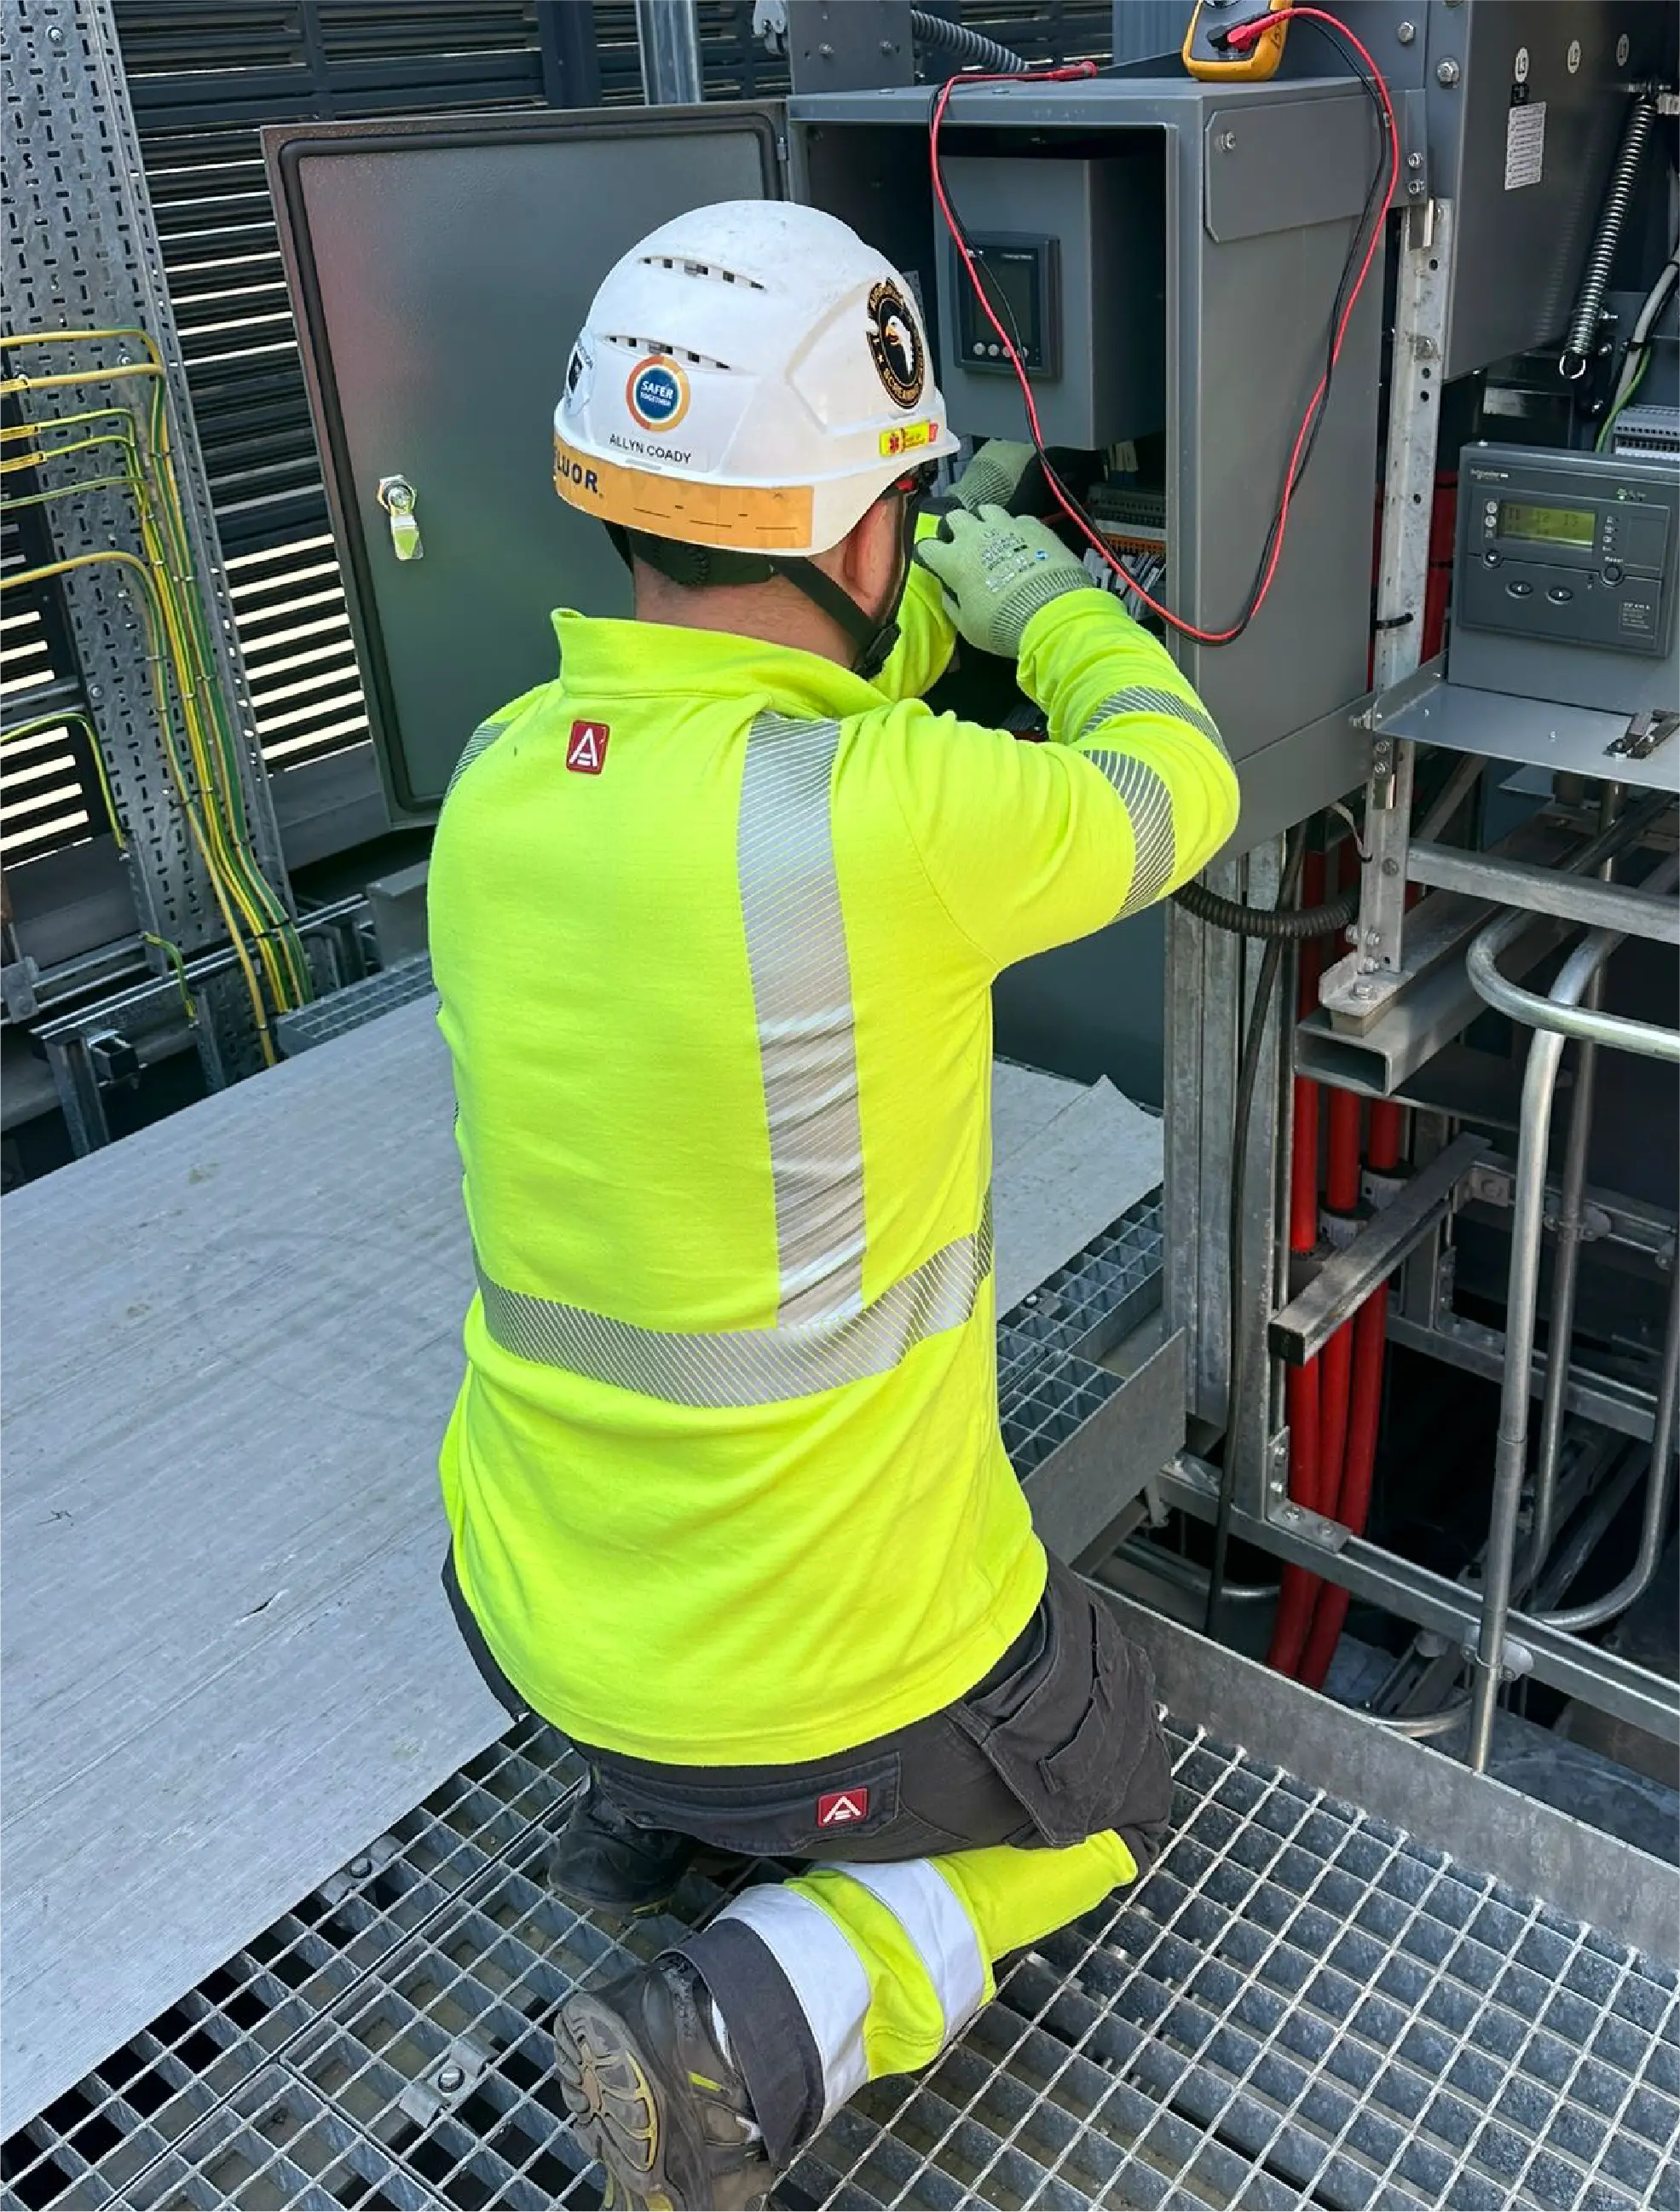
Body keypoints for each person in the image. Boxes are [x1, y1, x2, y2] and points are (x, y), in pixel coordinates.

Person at [428, 199, 1240, 2212]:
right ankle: (748, 2021)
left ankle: (653, 1808)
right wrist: (1048, 594)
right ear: (863, 529)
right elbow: (1179, 780)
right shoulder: (900, 822)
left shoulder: (506, 775)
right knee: (1103, 1786)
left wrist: (908, 620)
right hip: (811, 1668)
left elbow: (770, 752)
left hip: (524, 1608)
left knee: (710, 1704)